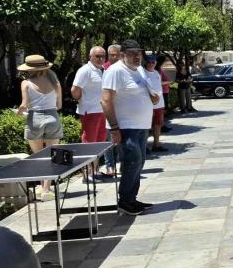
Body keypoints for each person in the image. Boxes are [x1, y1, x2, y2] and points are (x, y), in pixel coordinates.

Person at [101, 40, 161, 216]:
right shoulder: (116, 71)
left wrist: (153, 98)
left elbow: (147, 93)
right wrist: (114, 128)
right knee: (132, 161)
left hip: (141, 125)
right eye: (132, 53)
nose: (136, 56)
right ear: (122, 55)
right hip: (126, 127)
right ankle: (125, 201)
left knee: (139, 162)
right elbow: (105, 100)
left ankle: (131, 198)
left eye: (138, 53)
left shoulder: (139, 70)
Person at [17, 55, 64, 198]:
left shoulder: (26, 83)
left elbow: (24, 105)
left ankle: (43, 189)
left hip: (35, 119)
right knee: (52, 155)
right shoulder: (55, 82)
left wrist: (19, 112)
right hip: (53, 117)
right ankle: (46, 189)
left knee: (38, 156)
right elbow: (59, 105)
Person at [71, 46, 108, 181]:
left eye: (103, 56)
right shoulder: (85, 70)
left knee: (99, 141)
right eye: (97, 56)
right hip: (90, 111)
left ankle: (95, 169)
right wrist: (84, 101)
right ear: (90, 57)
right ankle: (87, 173)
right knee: (89, 142)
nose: (100, 58)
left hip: (102, 110)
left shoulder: (103, 70)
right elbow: (75, 90)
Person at [144, 56, 167, 152]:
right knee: (147, 125)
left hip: (159, 104)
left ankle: (156, 144)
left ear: (156, 63)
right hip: (148, 104)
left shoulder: (157, 73)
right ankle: (144, 146)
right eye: (149, 62)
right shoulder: (143, 73)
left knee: (158, 124)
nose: (151, 64)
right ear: (146, 62)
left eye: (153, 62)